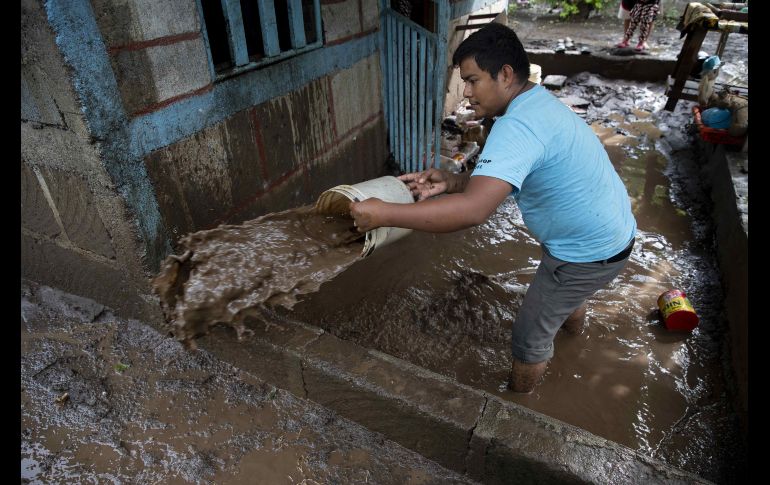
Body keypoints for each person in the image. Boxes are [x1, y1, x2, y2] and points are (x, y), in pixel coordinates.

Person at [349, 23, 637, 394]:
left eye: (472, 80)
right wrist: (452, 181)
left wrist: (383, 213)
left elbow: (473, 211)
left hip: (585, 253)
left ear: (504, 74)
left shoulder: (516, 127)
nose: (466, 94)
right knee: (565, 296)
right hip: (609, 234)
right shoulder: (538, 103)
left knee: (529, 335)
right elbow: (489, 185)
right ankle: (572, 335)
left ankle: (519, 407)